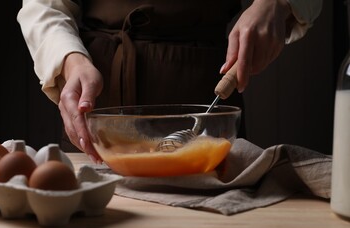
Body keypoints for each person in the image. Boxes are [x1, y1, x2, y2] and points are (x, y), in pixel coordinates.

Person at [17, 0, 322, 163]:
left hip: (205, 105)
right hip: (97, 109)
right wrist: (71, 61)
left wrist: (276, 3)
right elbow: (42, 6)